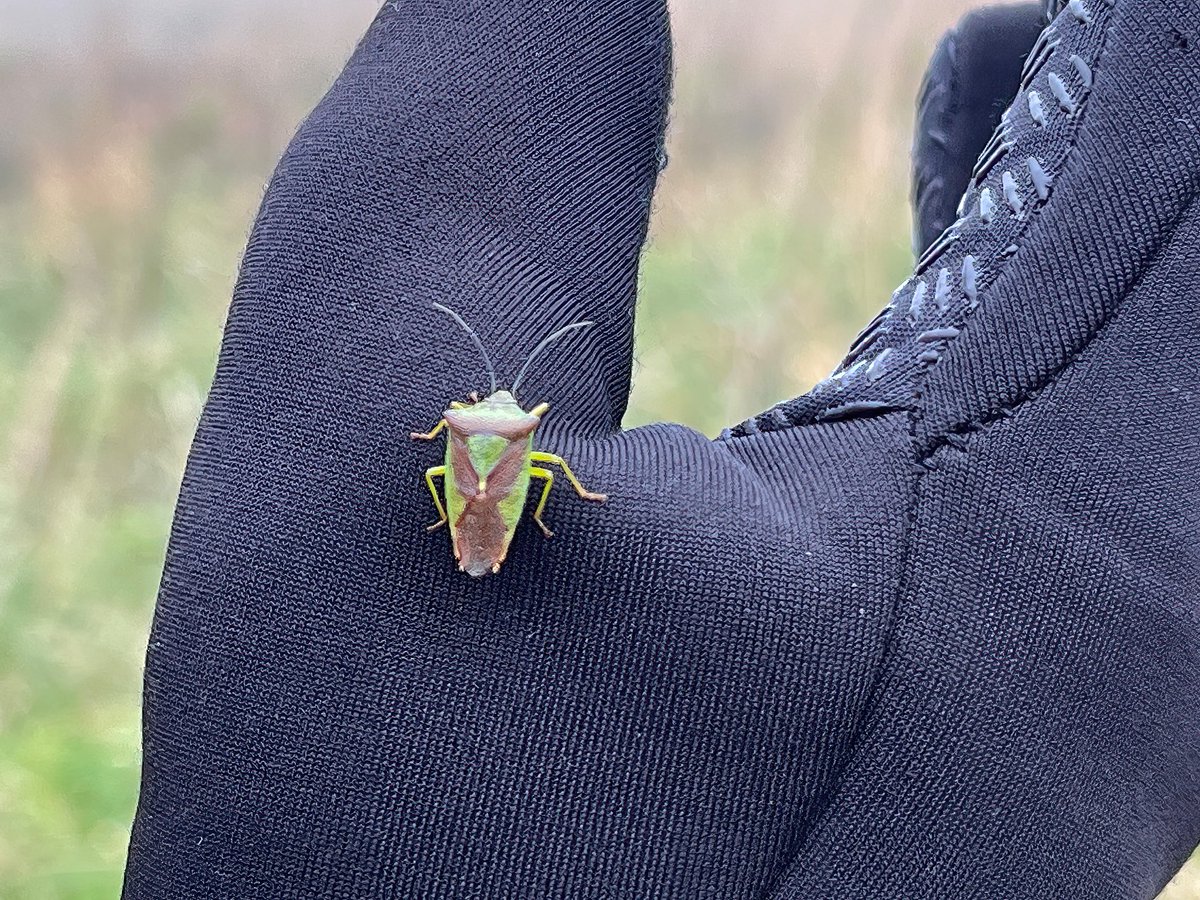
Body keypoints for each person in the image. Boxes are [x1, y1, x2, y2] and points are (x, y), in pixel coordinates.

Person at [122, 1, 1200, 897]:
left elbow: (481, 466)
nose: (490, 439)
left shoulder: (465, 445)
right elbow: (512, 471)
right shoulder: (505, 452)